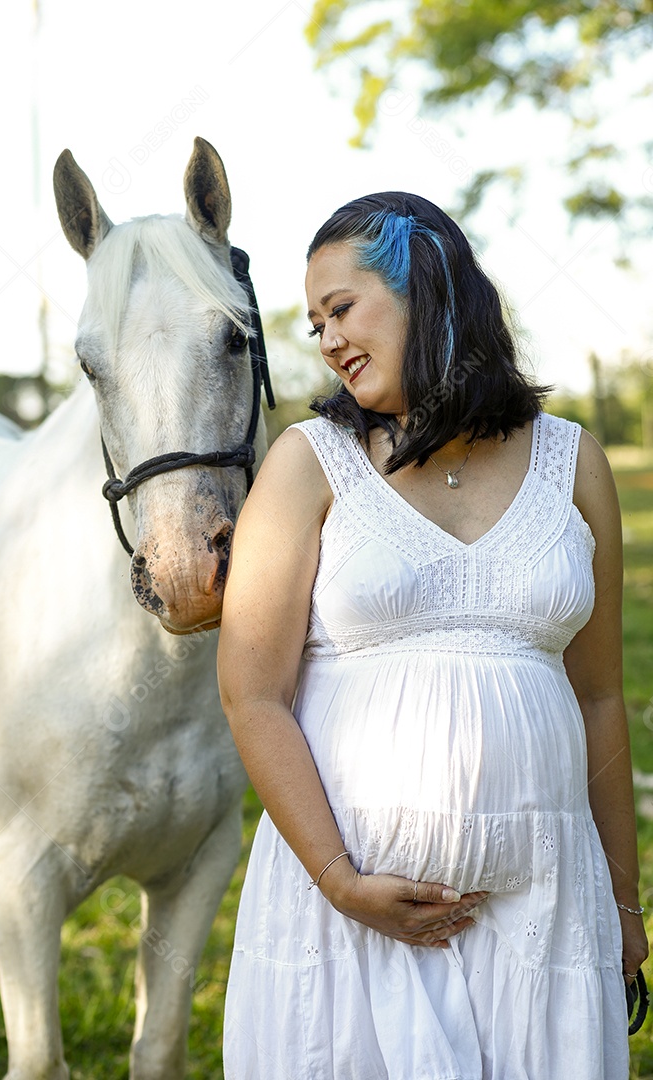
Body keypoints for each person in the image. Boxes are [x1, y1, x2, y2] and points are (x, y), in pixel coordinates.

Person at [217, 192, 648, 1079]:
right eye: (315, 325)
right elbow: (251, 694)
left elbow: (601, 696)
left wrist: (626, 906)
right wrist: (340, 881)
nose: (328, 340)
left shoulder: (575, 463)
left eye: (343, 309)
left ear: (432, 289)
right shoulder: (309, 462)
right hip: (350, 923)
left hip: (543, 916)